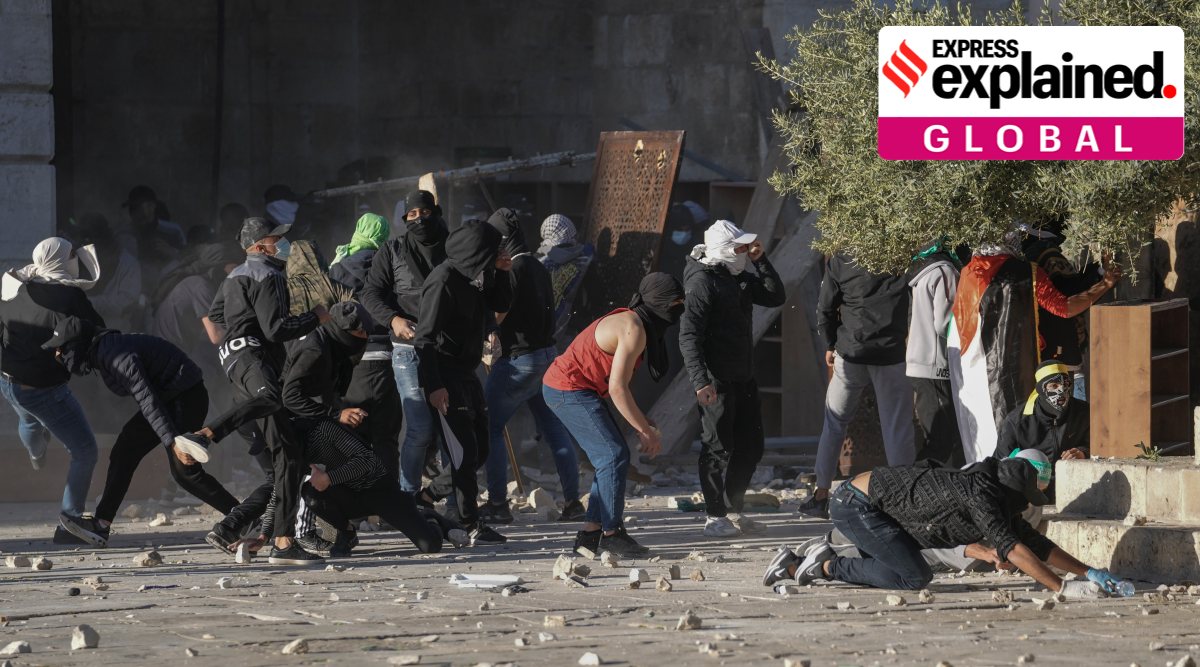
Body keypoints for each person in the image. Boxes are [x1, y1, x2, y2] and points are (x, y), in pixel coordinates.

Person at [762, 456, 1122, 599]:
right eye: (1024, 497)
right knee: (912, 576)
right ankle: (825, 566)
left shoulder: (989, 491)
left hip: (881, 511)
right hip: (856, 504)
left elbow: (1031, 542)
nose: (1026, 505)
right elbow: (1011, 547)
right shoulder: (981, 492)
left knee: (904, 564)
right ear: (1010, 491)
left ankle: (804, 560)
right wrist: (1061, 588)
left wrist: (1089, 572)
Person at [187, 217, 331, 565]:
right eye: (276, 237)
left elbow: (214, 318)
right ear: (258, 246)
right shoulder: (268, 275)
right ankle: (207, 434)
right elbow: (278, 327)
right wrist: (316, 316)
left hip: (234, 358)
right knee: (270, 400)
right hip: (254, 359)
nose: (283, 242)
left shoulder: (234, 275)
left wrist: (239, 333)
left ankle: (283, 543)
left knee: (289, 457)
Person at [46, 317, 240, 546]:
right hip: (170, 397)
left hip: (185, 397)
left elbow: (147, 399)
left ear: (78, 345)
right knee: (124, 451)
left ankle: (244, 516)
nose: (58, 355)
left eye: (62, 349)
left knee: (185, 472)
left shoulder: (115, 356)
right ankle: (101, 525)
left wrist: (172, 441)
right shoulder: (104, 351)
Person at [543, 273, 685, 558]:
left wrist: (641, 420)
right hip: (567, 388)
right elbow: (617, 387)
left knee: (609, 457)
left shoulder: (636, 321)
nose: (677, 310)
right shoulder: (633, 328)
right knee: (612, 455)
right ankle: (612, 534)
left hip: (580, 389)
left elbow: (618, 385)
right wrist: (643, 430)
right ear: (659, 302)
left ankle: (590, 535)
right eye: (675, 304)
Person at [949, 227, 1119, 463]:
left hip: (970, 365)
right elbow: (1065, 307)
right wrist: (1105, 284)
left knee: (978, 430)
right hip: (1011, 366)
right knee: (1015, 424)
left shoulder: (969, 271)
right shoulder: (1026, 272)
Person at [678, 220, 786, 537]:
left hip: (743, 375)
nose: (744, 252)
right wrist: (700, 381)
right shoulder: (702, 282)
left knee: (751, 446)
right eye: (740, 248)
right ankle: (715, 515)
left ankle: (733, 509)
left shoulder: (735, 276)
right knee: (716, 447)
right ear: (725, 251)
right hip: (716, 379)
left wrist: (760, 260)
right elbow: (689, 337)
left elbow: (774, 295)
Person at [412, 220, 513, 545]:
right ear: (476, 251)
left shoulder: (474, 277)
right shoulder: (442, 282)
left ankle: (428, 497)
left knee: (479, 447)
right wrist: (433, 386)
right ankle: (471, 523)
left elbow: (497, 306)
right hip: (444, 375)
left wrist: (499, 272)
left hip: (467, 374)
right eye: (492, 250)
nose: (497, 254)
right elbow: (424, 339)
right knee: (463, 452)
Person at [478, 208, 582, 524]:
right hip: (547, 356)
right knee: (553, 428)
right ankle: (573, 502)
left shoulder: (512, 270)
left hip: (519, 361)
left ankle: (497, 503)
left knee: (490, 427)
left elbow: (498, 314)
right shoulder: (537, 265)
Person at [0, 238, 105, 543]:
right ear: (59, 260)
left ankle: (35, 452)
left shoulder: (15, 284)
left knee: (29, 419)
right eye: (72, 255)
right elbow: (96, 327)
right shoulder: (68, 296)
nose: (75, 259)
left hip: (8, 380)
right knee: (84, 450)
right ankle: (69, 522)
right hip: (45, 389)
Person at [799, 254, 914, 520]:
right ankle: (906, 499)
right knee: (897, 427)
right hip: (891, 354)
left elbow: (825, 307)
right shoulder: (900, 257)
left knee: (834, 422)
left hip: (851, 353)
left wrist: (829, 343)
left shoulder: (842, 259)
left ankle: (820, 495)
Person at [360, 190, 449, 494]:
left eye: (425, 213)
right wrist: (393, 320)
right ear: (404, 219)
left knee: (452, 429)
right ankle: (407, 497)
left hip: (448, 350)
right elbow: (370, 294)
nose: (419, 219)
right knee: (421, 429)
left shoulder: (453, 247)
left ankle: (454, 499)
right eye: (412, 215)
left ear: (435, 213)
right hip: (409, 351)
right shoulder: (393, 250)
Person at [279, 301, 370, 553]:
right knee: (292, 476)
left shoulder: (335, 347)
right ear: (342, 331)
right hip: (280, 416)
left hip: (303, 415)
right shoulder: (315, 349)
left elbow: (332, 391)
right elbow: (290, 397)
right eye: (359, 334)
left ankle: (249, 530)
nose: (364, 339)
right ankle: (293, 535)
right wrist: (335, 415)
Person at [329, 213, 401, 480]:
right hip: (388, 358)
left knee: (351, 436)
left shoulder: (337, 268)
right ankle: (388, 504)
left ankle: (357, 507)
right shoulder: (392, 266)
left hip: (352, 361)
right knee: (386, 437)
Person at [1021, 227, 1104, 398]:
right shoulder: (1048, 255)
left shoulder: (1026, 262)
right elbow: (1070, 292)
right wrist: (1101, 276)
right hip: (1062, 347)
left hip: (1043, 349)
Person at [994, 360, 1089, 499]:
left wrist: (1083, 453)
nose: (1061, 390)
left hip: (1076, 490)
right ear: (1040, 389)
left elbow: (1099, 446)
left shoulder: (1083, 412)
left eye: (1066, 384)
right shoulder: (1017, 421)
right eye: (1054, 385)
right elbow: (1000, 464)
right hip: (1030, 496)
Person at [906, 237, 963, 467]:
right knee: (941, 439)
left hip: (919, 363)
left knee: (934, 436)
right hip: (935, 365)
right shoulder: (945, 271)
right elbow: (943, 323)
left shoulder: (922, 271)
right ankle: (913, 491)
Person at [71, 214, 144, 332]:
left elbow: (127, 302)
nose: (86, 245)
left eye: (91, 240)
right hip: (83, 333)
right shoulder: (78, 260)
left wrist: (88, 303)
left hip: (116, 333)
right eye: (84, 240)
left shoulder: (128, 264)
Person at [537, 214, 594, 347]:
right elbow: (594, 292)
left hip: (542, 327)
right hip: (573, 325)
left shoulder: (538, 259)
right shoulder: (585, 257)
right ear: (569, 230)